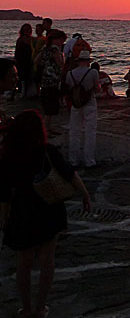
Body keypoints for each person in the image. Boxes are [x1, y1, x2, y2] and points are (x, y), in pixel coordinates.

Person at [0, 110, 92, 318]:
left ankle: (26, 308)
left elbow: (4, 193)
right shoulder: (47, 151)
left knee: (22, 264)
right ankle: (41, 308)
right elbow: (69, 172)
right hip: (49, 209)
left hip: (21, 211)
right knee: (47, 261)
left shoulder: (7, 155)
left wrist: (4, 219)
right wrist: (85, 194)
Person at [65, 51, 101, 168]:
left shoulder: (70, 73)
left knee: (74, 132)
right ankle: (89, 160)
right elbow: (97, 88)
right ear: (88, 61)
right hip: (90, 103)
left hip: (75, 105)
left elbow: (68, 88)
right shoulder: (93, 72)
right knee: (90, 132)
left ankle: (73, 160)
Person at [35, 30, 65, 136]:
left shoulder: (45, 48)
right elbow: (60, 63)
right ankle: (46, 129)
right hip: (53, 79)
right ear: (57, 39)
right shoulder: (55, 49)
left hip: (45, 78)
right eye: (62, 40)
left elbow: (37, 60)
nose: (62, 42)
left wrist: (47, 65)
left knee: (48, 104)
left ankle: (47, 128)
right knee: (51, 105)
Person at [14, 24, 34, 99]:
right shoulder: (20, 40)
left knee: (28, 78)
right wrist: (16, 61)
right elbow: (17, 52)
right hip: (21, 61)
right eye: (25, 29)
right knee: (20, 78)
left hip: (29, 61)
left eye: (28, 29)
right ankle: (19, 93)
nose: (27, 31)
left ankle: (26, 93)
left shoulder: (32, 39)